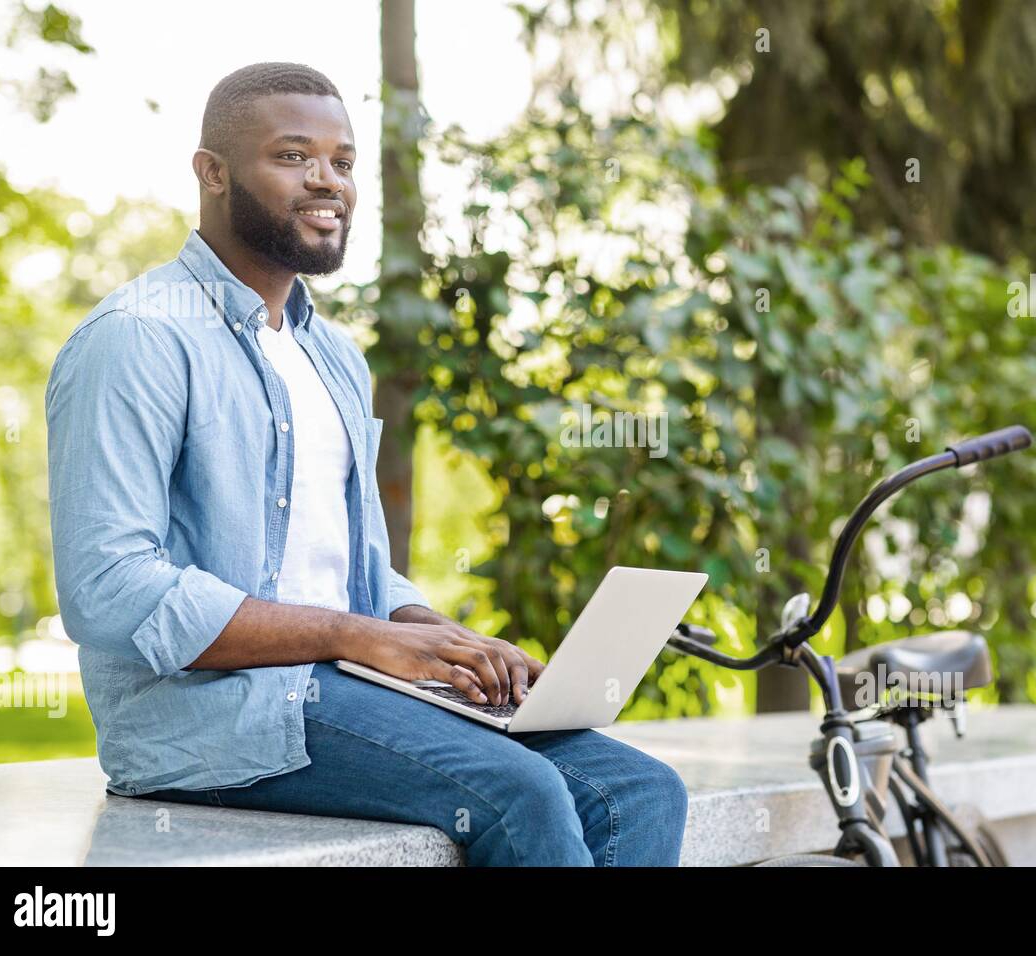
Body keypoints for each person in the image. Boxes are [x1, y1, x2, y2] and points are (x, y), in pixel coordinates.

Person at [45, 61, 689, 867]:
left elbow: (347, 568)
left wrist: (434, 637)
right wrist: (359, 637)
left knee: (641, 791)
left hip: (344, 689)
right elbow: (107, 590)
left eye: (343, 162)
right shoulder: (137, 337)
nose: (328, 183)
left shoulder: (332, 356)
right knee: (518, 794)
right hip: (209, 719)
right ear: (211, 173)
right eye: (293, 157)